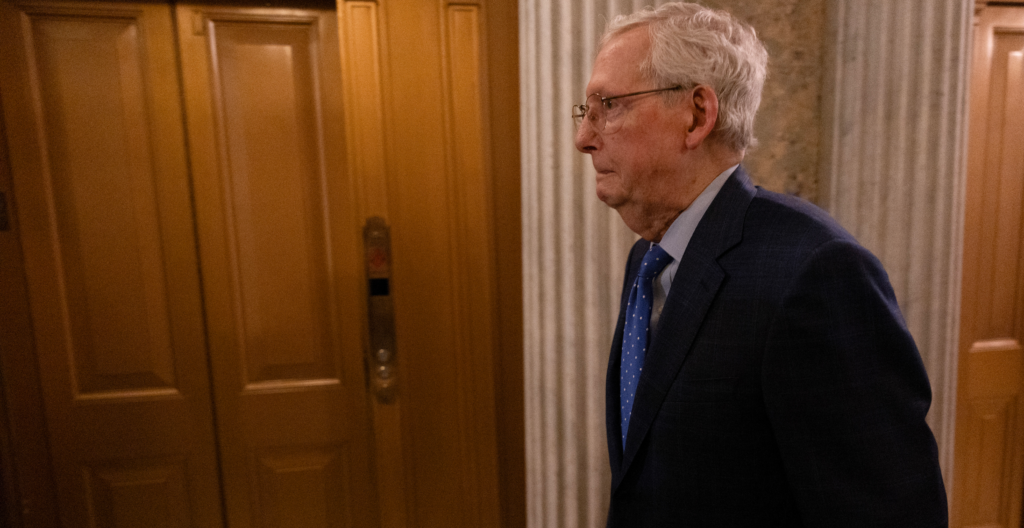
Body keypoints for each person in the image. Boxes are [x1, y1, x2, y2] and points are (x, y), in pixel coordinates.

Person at [573, 3, 948, 526]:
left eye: (608, 105)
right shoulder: (648, 258)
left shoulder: (817, 274)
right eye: (586, 110)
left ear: (698, 115)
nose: (584, 137)